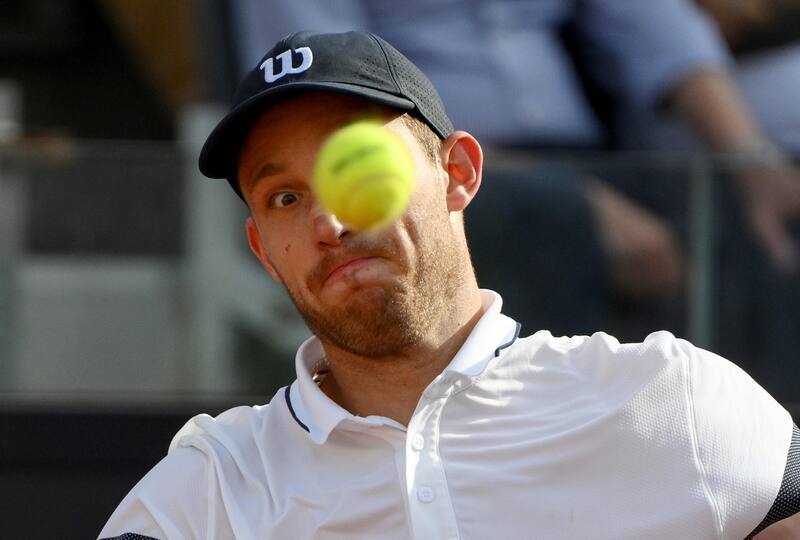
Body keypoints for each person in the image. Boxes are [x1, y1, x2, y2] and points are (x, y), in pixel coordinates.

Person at [99, 31, 800, 540]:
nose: (329, 222)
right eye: (285, 198)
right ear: (262, 250)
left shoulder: (667, 402)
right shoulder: (209, 496)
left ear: (458, 173)